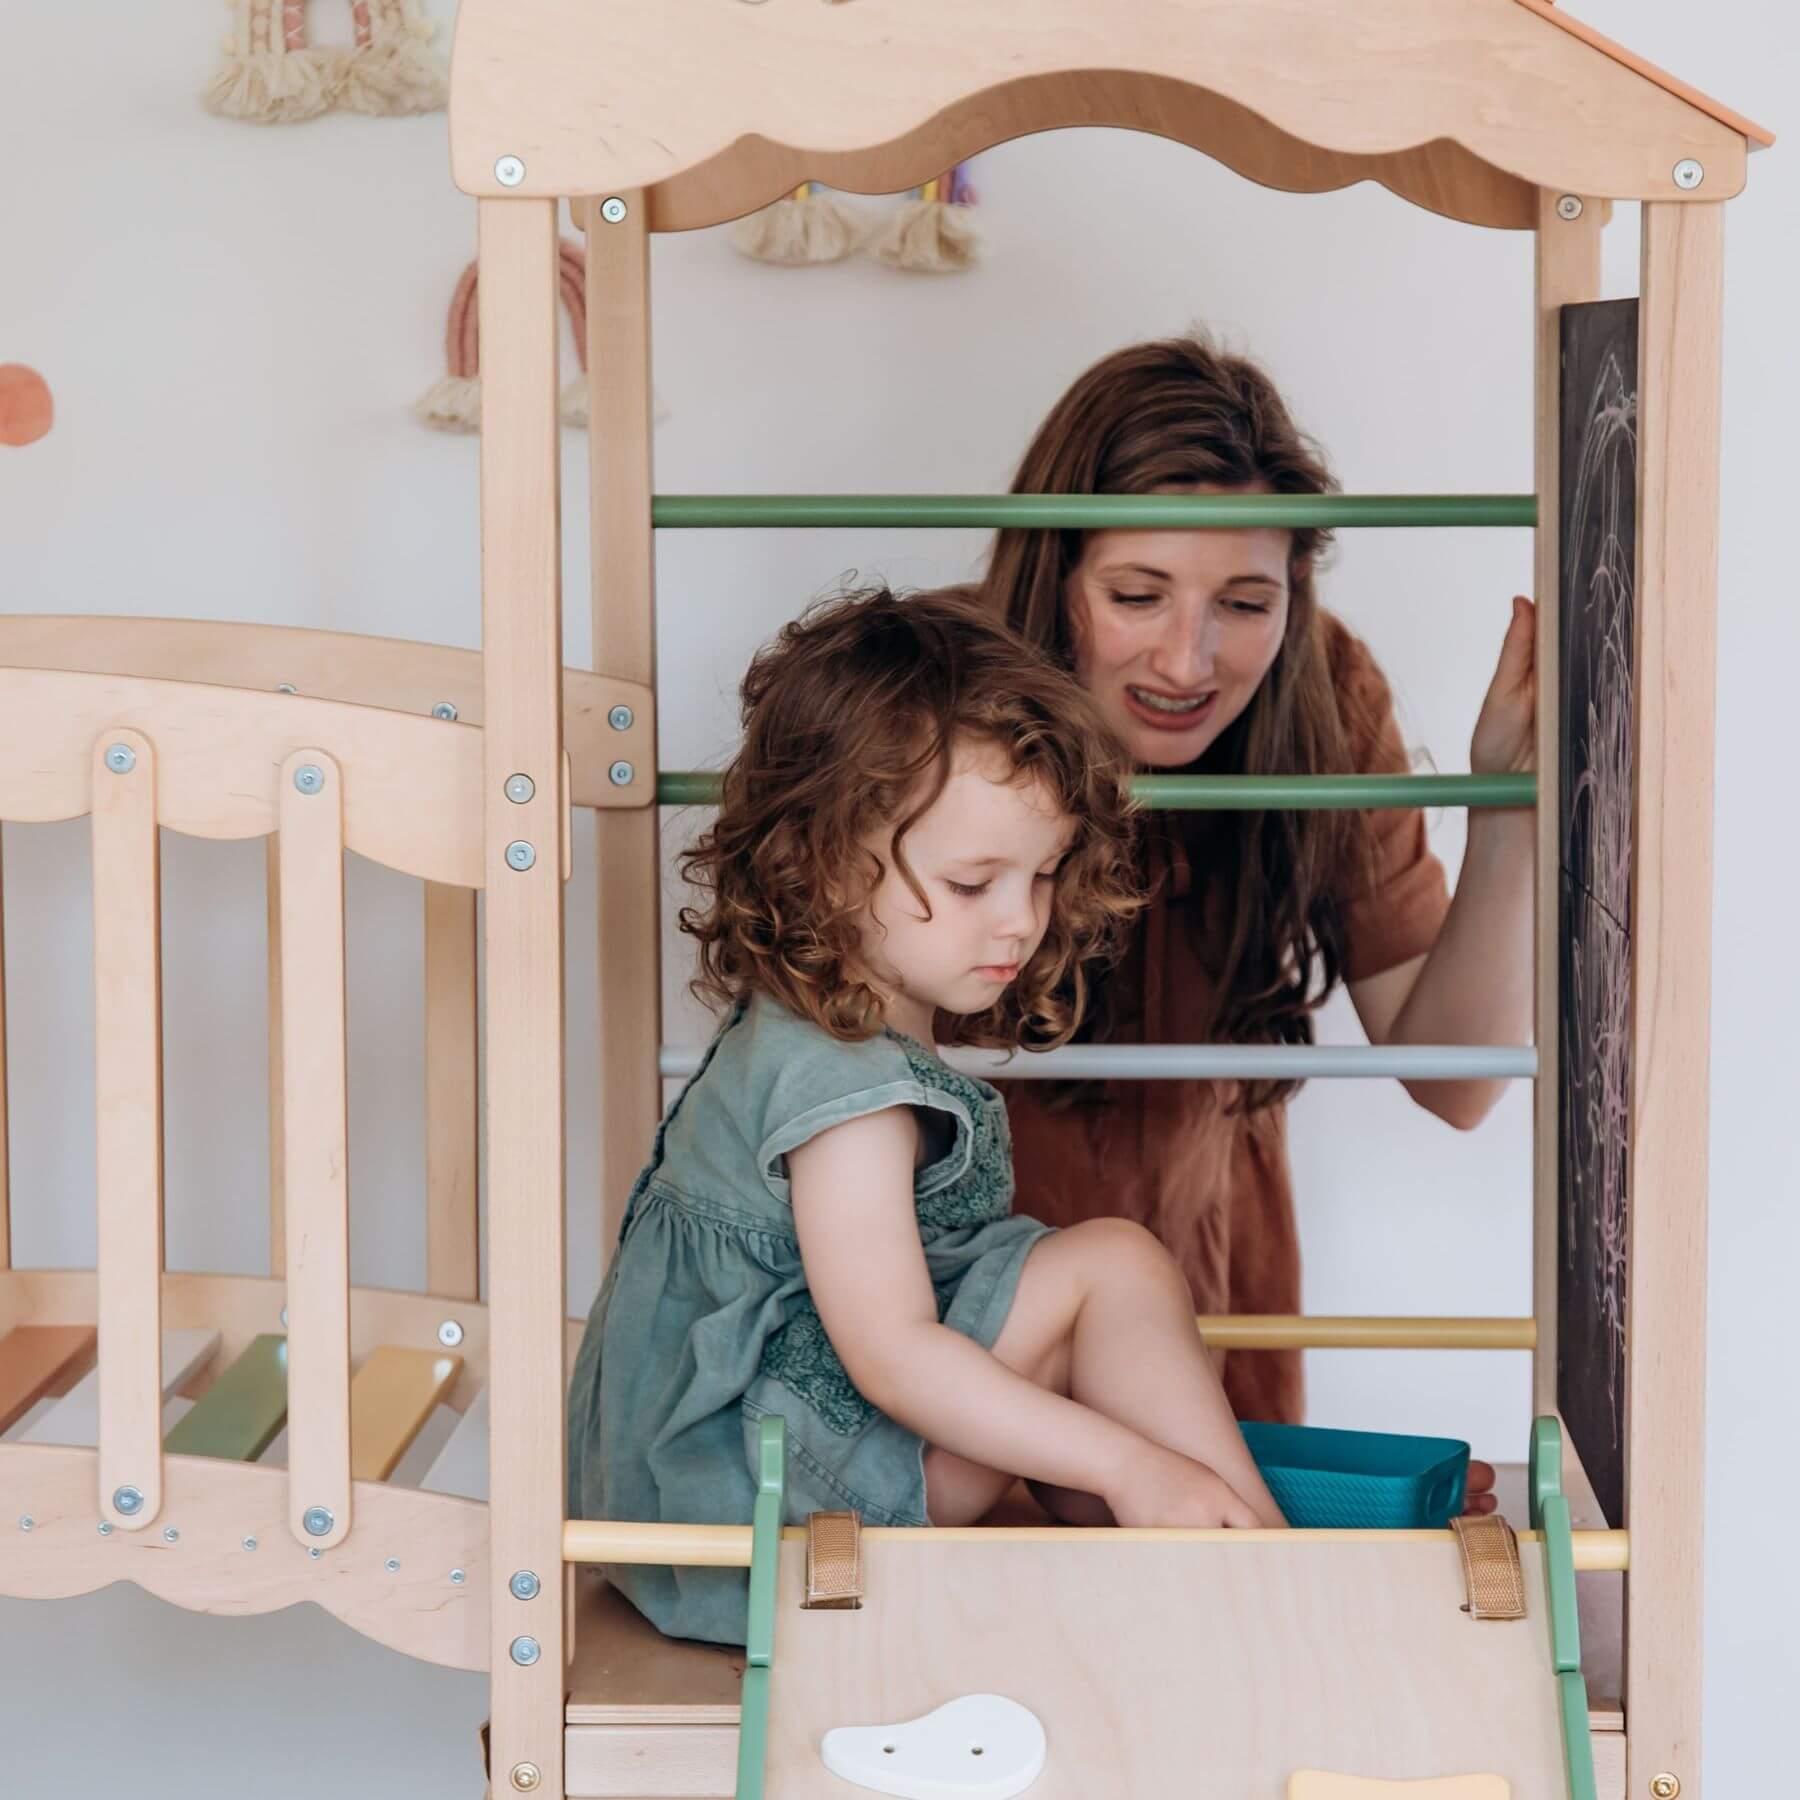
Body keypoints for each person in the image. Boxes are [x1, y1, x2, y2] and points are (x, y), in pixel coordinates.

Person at [567, 587, 1287, 1646]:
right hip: (766, 1524)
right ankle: (1271, 1570)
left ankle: (1214, 1553)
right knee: (1114, 1266)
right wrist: (1132, 1459)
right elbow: (893, 1356)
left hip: (737, 1489)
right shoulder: (846, 1093)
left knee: (1096, 1280)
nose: (1021, 920)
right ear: (822, 862)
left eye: (1040, 877)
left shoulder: (827, 1019)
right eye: (970, 882)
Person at [976, 336, 1535, 1432]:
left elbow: (1456, 1081)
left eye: (1244, 603)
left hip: (1207, 1310)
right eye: (1138, 595)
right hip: (961, 1321)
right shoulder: (935, 692)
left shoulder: (1321, 683)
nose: (1190, 663)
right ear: (1056, 575)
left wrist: (1508, 814)